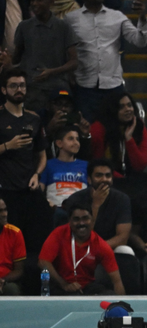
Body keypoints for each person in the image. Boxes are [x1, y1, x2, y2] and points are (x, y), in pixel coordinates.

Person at [65, 0, 147, 121]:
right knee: (87, 131)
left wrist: (142, 18)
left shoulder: (117, 16)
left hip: (113, 85)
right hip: (84, 87)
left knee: (114, 131)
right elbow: (64, 48)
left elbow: (140, 41)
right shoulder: (70, 18)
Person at [0, 68, 50, 255]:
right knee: (10, 247)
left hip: (30, 189)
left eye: (22, 85)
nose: (19, 89)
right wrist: (8, 146)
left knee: (38, 242)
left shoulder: (34, 118)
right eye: (13, 86)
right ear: (4, 90)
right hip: (6, 191)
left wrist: (37, 174)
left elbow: (42, 155)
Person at [38, 204, 125, 295]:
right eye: (76, 219)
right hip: (60, 286)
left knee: (108, 295)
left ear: (92, 221)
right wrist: (64, 284)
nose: (81, 223)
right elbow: (43, 262)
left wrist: (121, 306)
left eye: (85, 218)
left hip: (87, 287)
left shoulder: (100, 245)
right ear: (69, 221)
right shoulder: (59, 234)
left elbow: (117, 281)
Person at [11, 0, 78, 113]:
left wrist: (52, 71)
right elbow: (16, 58)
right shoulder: (24, 27)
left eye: (39, 0)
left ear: (50, 2)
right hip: (33, 91)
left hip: (58, 92)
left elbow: (74, 62)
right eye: (32, 0)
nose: (34, 3)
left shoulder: (64, 27)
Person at [63, 159, 132, 251]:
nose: (104, 179)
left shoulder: (122, 199)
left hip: (109, 247)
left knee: (125, 250)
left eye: (107, 175)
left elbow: (123, 238)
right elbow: (79, 235)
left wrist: (97, 248)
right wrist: (96, 205)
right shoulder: (75, 199)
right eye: (98, 175)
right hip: (81, 247)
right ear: (89, 179)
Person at [90, 91, 147, 181]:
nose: (128, 109)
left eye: (129, 105)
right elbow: (97, 164)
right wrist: (122, 180)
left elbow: (140, 165)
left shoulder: (138, 126)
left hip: (131, 178)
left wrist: (129, 139)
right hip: (106, 178)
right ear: (113, 109)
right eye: (121, 107)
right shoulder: (98, 128)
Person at [40, 125, 88, 211]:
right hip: (55, 210)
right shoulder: (48, 165)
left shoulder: (86, 165)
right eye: (71, 139)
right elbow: (39, 191)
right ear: (59, 143)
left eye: (77, 139)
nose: (76, 142)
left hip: (81, 211)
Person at [0, 197, 24, 295]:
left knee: (12, 289)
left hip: (6, 281)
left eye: (5, 210)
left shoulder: (15, 233)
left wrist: (3, 281)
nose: (5, 214)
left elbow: (19, 270)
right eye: (0, 211)